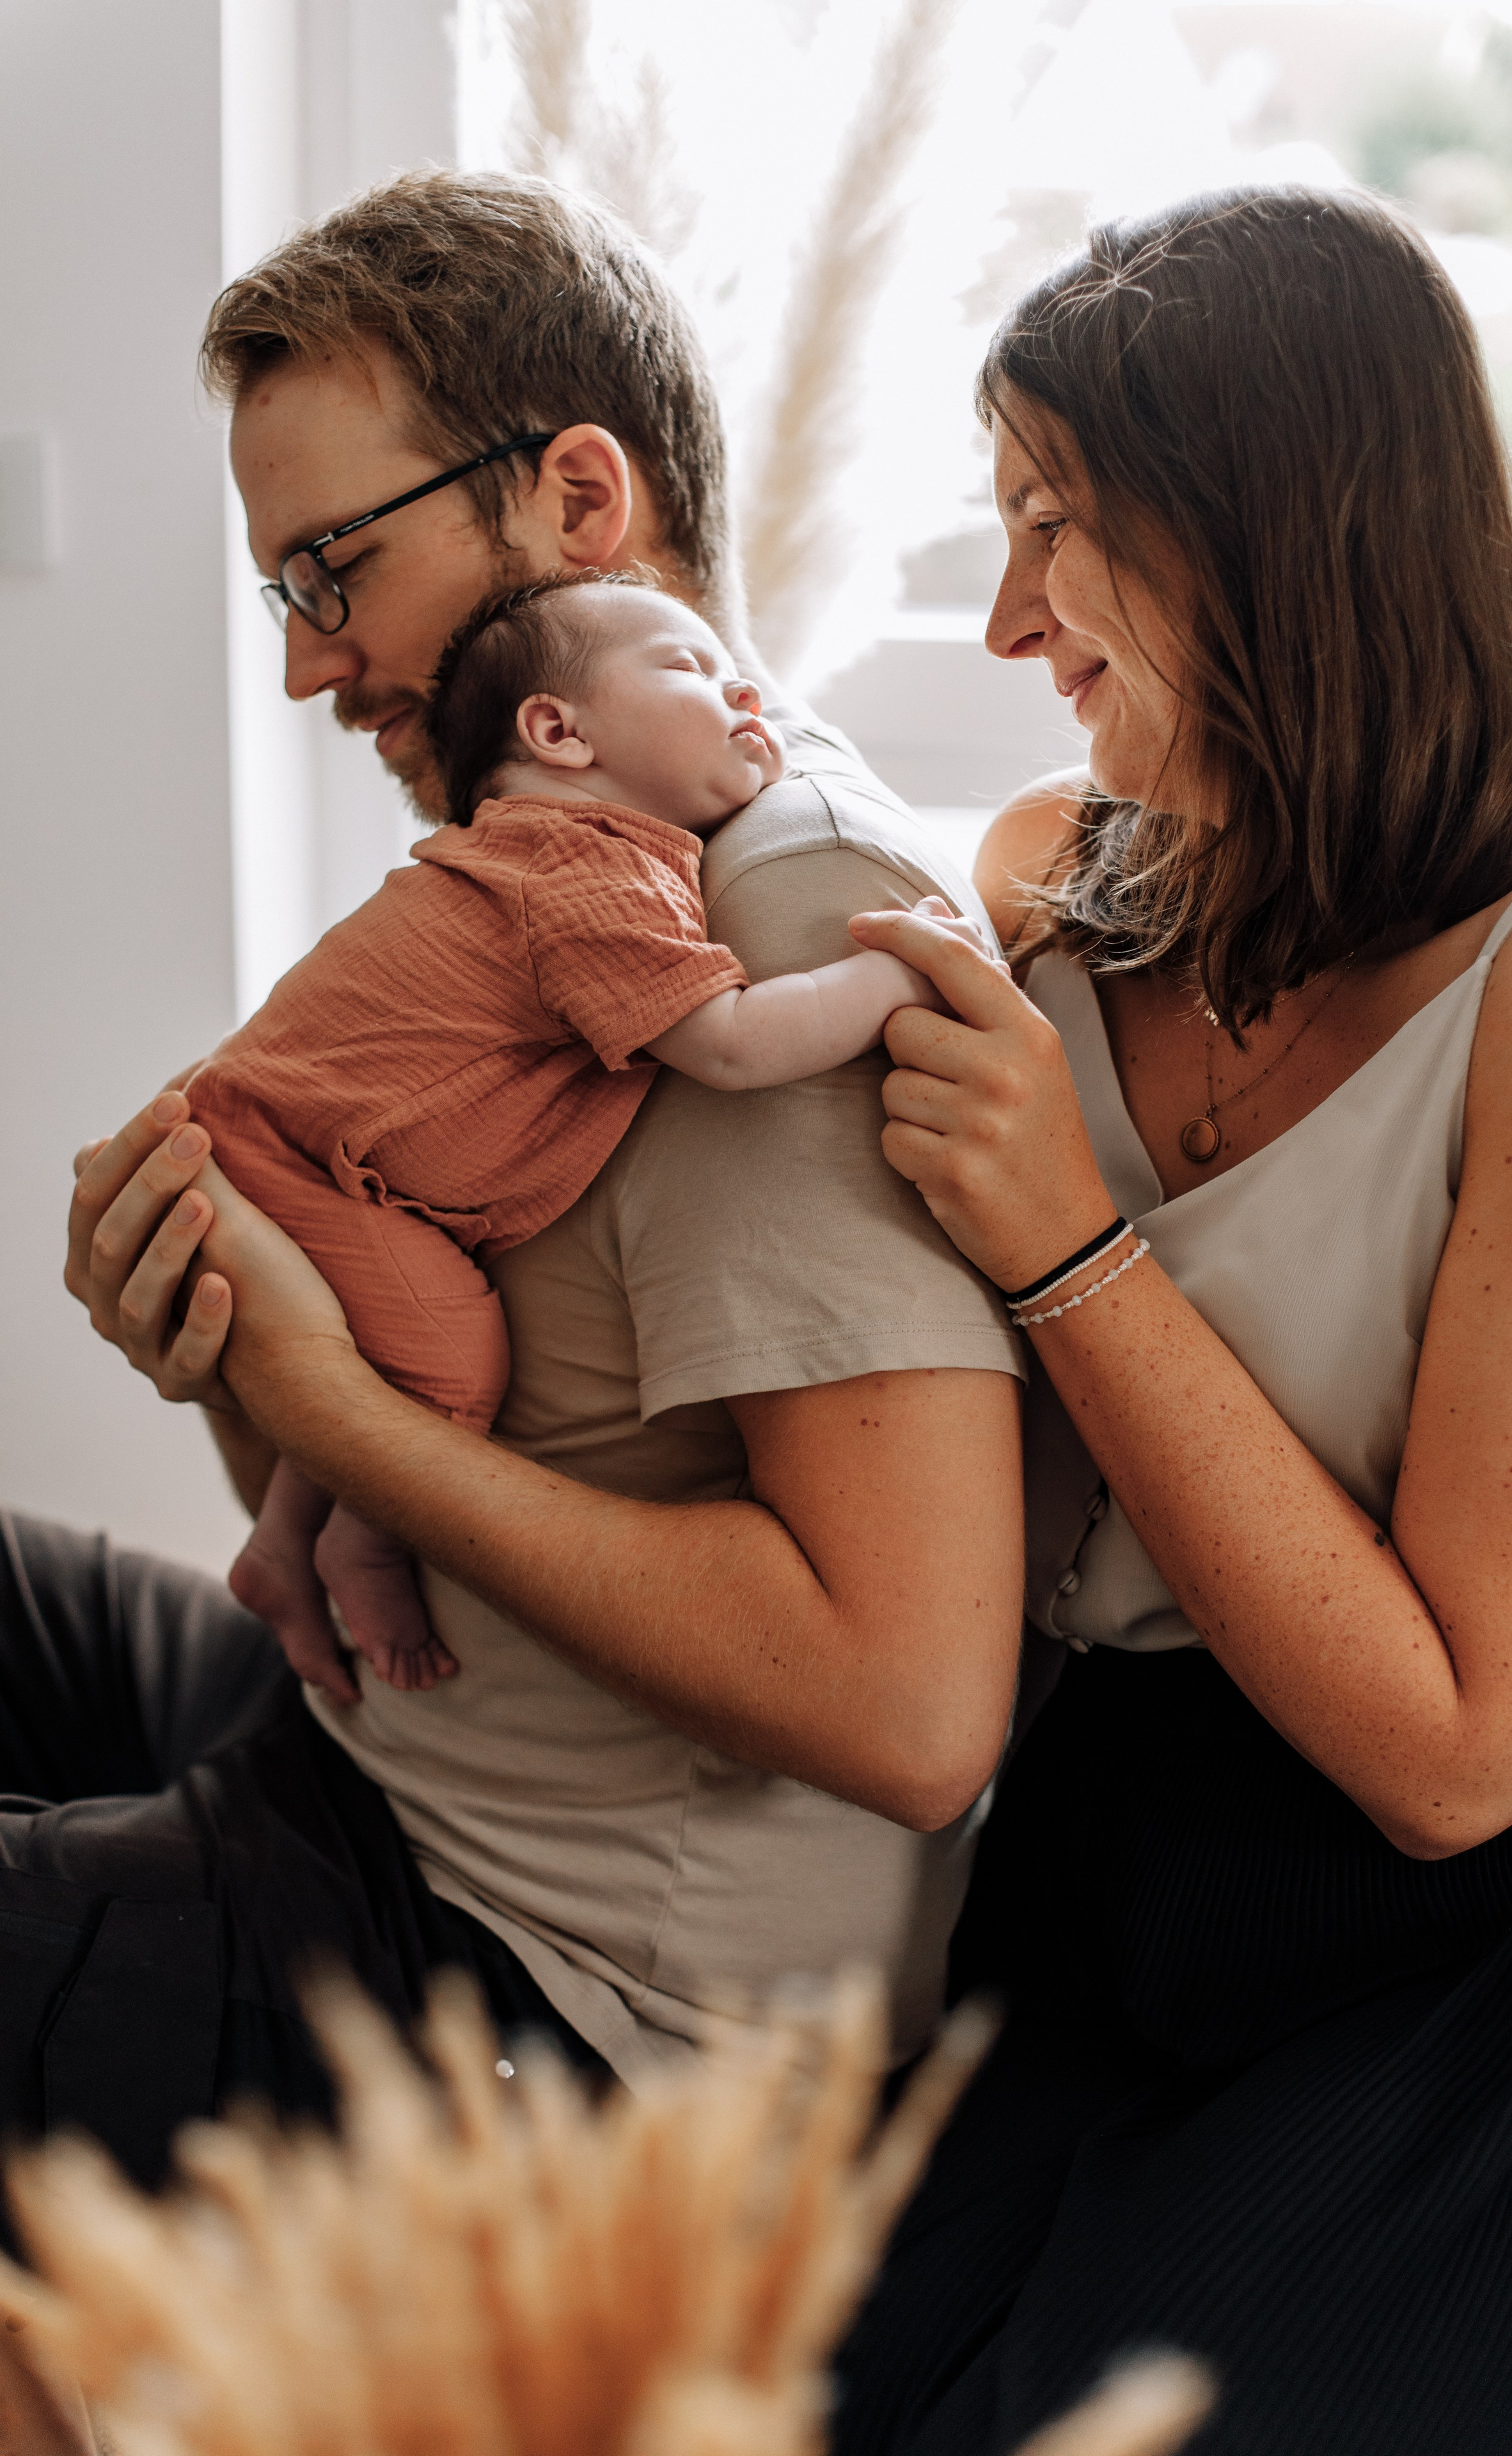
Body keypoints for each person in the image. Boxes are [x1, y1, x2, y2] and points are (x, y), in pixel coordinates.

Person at [15, 170, 1025, 2188]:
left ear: (577, 498)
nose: (312, 667)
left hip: (541, 1987)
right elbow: (399, 1461)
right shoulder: (562, 858)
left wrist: (307, 1402)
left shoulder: (777, 907)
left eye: (332, 570)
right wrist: (229, 1351)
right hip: (386, 1746)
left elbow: (913, 1706)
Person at [830, 184, 1512, 2456]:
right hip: (1097, 1856)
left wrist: (1071, 1249)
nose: (1005, 622)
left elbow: (1467, 1756)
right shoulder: (1050, 897)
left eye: (1055, 529)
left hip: (1467, 1948)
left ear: (1274, 532)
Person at [199, 570, 977, 1696]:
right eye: (692, 673)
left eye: (741, 678)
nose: (748, 700)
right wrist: (898, 967)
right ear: (558, 732)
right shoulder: (582, 866)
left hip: (281, 1141)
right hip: (291, 1159)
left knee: (367, 1348)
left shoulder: (562, 857)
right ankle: (350, 1538)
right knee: (453, 1369)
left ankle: (282, 1543)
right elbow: (734, 1045)